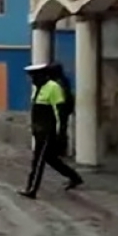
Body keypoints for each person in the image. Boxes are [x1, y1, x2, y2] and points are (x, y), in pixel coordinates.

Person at [20, 62, 83, 199]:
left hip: (47, 132)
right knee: (51, 159)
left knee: (38, 161)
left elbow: (60, 112)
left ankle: (32, 189)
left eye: (35, 76)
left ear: (42, 75)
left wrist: (61, 133)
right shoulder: (37, 89)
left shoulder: (53, 87)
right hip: (38, 130)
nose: (32, 79)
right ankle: (74, 177)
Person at [46, 61, 74, 159]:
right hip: (62, 109)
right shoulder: (63, 81)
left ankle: (58, 150)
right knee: (61, 129)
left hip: (59, 109)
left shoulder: (57, 82)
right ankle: (60, 150)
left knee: (59, 130)